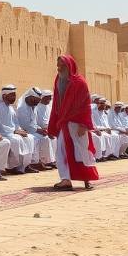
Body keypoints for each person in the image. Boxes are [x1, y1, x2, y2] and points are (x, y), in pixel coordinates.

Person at [49, 55, 99, 191]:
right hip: (63, 124)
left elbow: (85, 105)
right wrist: (53, 123)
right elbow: (56, 104)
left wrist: (84, 125)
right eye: (58, 65)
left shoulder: (80, 82)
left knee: (82, 151)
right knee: (61, 151)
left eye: (62, 66)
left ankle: (87, 179)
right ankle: (65, 180)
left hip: (77, 124)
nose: (59, 68)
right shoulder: (58, 80)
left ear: (69, 66)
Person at [0, 85, 37, 174]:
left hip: (12, 132)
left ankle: (25, 165)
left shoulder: (10, 108)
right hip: (4, 133)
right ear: (4, 96)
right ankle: (12, 167)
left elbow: (16, 122)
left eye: (14, 95)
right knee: (16, 140)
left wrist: (20, 130)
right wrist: (15, 131)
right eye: (12, 95)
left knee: (30, 138)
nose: (14, 97)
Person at [16, 87, 56, 170]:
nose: (37, 103)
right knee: (35, 138)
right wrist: (38, 130)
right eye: (36, 100)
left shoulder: (32, 106)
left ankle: (46, 161)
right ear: (30, 97)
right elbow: (25, 125)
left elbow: (33, 123)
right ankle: (34, 163)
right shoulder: (22, 108)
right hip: (24, 131)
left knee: (45, 138)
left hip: (32, 130)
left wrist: (41, 130)